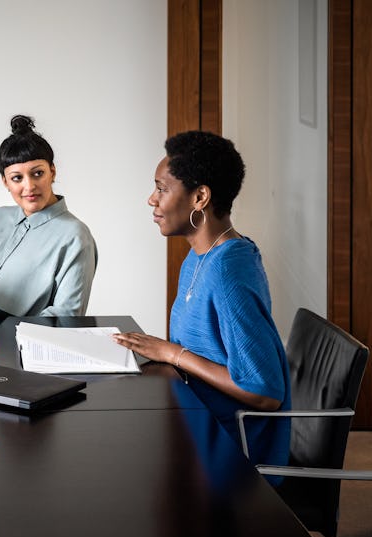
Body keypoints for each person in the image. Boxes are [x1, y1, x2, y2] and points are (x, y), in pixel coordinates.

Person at [113, 131, 290, 473]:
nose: (152, 199)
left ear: (200, 197)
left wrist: (171, 353)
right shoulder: (200, 256)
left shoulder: (227, 272)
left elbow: (265, 391)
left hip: (227, 446)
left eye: (162, 188)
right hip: (194, 417)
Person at [0, 115, 97, 316]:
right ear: (5, 182)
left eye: (38, 173)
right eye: (17, 178)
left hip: (12, 345)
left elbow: (67, 317)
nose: (29, 186)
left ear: (52, 172)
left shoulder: (75, 236)